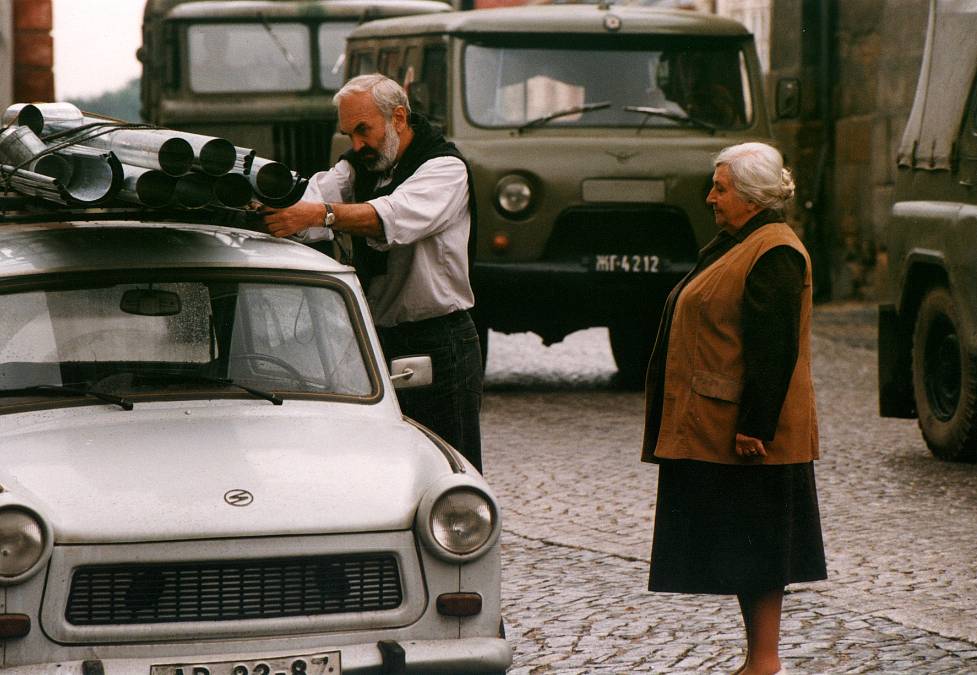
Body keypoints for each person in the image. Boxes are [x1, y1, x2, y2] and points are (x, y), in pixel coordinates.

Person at [641, 142, 826, 675]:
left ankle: (765, 661)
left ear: (748, 195)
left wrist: (755, 425)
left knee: (763, 548)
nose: (711, 197)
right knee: (750, 546)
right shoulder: (738, 242)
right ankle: (757, 659)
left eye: (720, 188)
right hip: (723, 423)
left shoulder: (774, 251)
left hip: (749, 432)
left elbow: (775, 347)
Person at [260, 73, 483, 472]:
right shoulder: (360, 167)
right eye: (349, 134)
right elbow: (312, 197)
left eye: (364, 130)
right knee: (386, 466)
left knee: (451, 467)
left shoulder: (445, 170)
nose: (357, 144)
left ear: (398, 118)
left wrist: (321, 215)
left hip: (439, 339)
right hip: (377, 340)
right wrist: (265, 201)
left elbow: (389, 219)